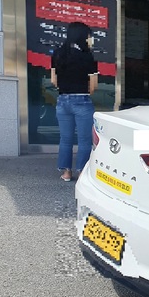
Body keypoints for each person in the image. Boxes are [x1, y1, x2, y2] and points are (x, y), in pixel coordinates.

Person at [50, 21, 98, 182]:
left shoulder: (57, 54)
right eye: (89, 36)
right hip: (82, 101)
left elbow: (53, 81)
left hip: (63, 100)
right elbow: (93, 86)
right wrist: (83, 92)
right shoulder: (88, 56)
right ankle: (82, 172)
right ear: (83, 36)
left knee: (65, 139)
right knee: (84, 139)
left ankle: (66, 172)